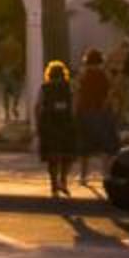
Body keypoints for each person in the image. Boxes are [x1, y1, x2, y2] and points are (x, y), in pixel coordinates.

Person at [73, 48, 121, 188]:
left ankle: (83, 176)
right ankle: (105, 174)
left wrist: (74, 112)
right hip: (103, 112)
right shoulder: (104, 75)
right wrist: (108, 105)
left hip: (85, 112)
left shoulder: (83, 76)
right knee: (106, 145)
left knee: (84, 147)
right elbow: (111, 92)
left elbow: (77, 95)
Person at [34, 59, 78, 197]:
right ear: (63, 73)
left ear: (49, 74)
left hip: (49, 124)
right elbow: (74, 106)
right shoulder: (69, 87)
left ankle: (54, 186)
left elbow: (38, 106)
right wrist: (75, 122)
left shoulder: (44, 87)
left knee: (52, 157)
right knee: (67, 155)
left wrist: (38, 124)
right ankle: (63, 180)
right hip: (66, 124)